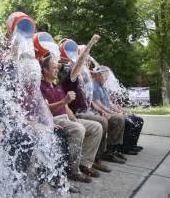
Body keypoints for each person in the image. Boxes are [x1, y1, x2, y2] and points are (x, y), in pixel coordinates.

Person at [40, 55, 103, 183]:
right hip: (53, 119)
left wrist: (75, 120)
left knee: (96, 127)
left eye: (57, 67)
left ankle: (85, 163)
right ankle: (73, 170)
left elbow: (67, 108)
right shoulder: (41, 86)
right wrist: (64, 101)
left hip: (66, 118)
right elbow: (45, 110)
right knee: (78, 129)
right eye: (53, 67)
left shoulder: (57, 86)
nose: (57, 69)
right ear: (45, 70)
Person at [60, 34, 119, 169]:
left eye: (87, 60)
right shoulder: (70, 73)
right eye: (84, 58)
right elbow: (78, 64)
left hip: (85, 111)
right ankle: (92, 160)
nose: (87, 61)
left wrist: (102, 110)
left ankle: (96, 157)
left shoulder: (83, 76)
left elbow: (89, 98)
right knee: (102, 122)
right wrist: (90, 43)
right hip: (76, 113)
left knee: (104, 119)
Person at [91, 66, 131, 160]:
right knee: (119, 118)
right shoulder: (94, 86)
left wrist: (120, 111)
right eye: (105, 76)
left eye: (107, 76)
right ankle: (109, 150)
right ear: (98, 75)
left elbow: (109, 103)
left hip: (104, 112)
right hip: (97, 113)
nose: (106, 78)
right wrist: (111, 112)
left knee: (121, 117)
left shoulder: (102, 87)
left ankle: (115, 149)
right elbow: (98, 105)